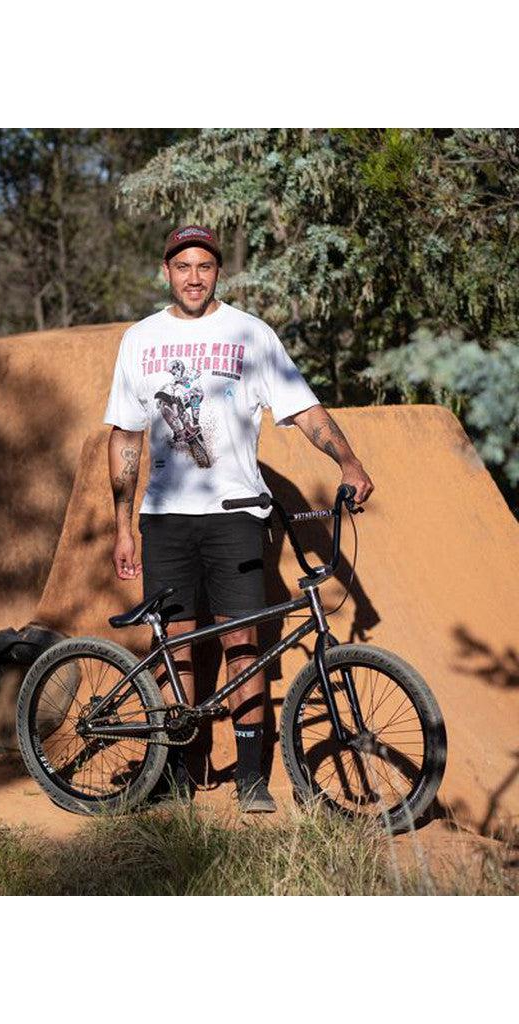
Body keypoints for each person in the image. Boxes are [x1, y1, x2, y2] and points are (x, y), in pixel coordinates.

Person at [104, 224, 374, 813]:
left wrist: (348, 460)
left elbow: (304, 409)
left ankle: (251, 776)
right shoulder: (140, 339)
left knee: (242, 641)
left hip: (236, 517)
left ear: (217, 272)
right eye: (182, 267)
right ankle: (177, 772)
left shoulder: (251, 334)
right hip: (165, 518)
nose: (193, 277)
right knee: (175, 645)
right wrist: (123, 526)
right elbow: (126, 436)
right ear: (166, 272)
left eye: (204, 266)